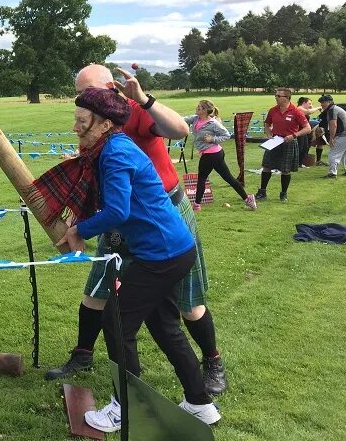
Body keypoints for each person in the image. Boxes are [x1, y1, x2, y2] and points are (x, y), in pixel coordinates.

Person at [44, 65, 227, 399]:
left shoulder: (130, 119)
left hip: (162, 222)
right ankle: (198, 403)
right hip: (139, 225)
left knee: (180, 308)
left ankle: (207, 363)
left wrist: (143, 98)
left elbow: (179, 131)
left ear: (109, 92)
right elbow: (109, 193)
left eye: (89, 94)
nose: (82, 104)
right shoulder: (103, 138)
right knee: (105, 294)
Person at [184, 100, 257, 211]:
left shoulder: (213, 123)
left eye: (199, 107)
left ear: (204, 110)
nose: (196, 108)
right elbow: (181, 119)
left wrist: (212, 139)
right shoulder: (195, 118)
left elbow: (226, 135)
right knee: (228, 178)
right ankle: (248, 199)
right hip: (210, 153)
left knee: (202, 178)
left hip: (213, 154)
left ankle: (196, 205)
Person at [254, 89, 311, 202]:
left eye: (279, 96)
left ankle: (283, 194)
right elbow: (267, 124)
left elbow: (308, 128)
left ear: (287, 98)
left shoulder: (296, 111)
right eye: (276, 95)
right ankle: (262, 192)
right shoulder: (273, 110)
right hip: (275, 141)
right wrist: (269, 134)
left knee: (285, 169)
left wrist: (294, 135)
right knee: (267, 166)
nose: (276, 97)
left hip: (289, 142)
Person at [318, 94, 346, 178]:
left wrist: (331, 138)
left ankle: (332, 173)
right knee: (344, 154)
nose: (321, 104)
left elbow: (333, 125)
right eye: (321, 102)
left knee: (334, 153)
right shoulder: (335, 108)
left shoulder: (332, 109)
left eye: (323, 102)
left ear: (329, 102)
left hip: (343, 134)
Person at [295, 97, 320, 167]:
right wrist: (318, 108)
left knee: (304, 148)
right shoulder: (299, 108)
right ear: (304, 103)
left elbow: (308, 112)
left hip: (304, 131)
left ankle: (300, 164)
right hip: (299, 131)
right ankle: (296, 164)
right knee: (299, 148)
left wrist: (310, 107)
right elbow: (309, 112)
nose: (310, 105)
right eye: (309, 103)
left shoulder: (304, 110)